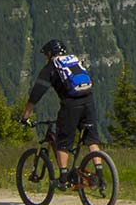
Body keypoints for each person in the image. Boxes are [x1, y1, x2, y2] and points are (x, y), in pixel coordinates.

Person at [21, 39, 101, 178]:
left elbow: (35, 95)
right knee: (91, 140)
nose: (46, 57)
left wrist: (25, 116)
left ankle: (63, 177)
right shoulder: (74, 60)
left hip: (71, 105)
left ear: (50, 53)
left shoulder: (51, 67)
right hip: (88, 100)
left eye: (46, 54)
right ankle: (100, 174)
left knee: (62, 141)